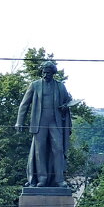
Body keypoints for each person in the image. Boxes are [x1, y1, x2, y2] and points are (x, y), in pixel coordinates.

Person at [14, 60, 73, 188]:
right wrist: (19, 121)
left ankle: (59, 179)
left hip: (55, 123)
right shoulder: (35, 85)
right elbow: (24, 104)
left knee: (58, 149)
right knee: (39, 151)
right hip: (39, 123)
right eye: (44, 72)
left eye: (49, 73)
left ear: (53, 73)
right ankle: (42, 179)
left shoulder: (60, 86)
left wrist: (65, 107)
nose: (46, 75)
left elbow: (67, 102)